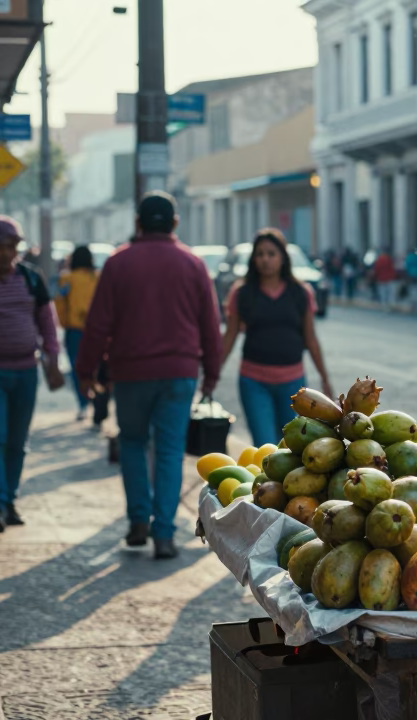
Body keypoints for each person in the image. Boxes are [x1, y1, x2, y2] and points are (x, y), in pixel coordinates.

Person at [75, 192, 222, 559]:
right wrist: (212, 374)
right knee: (170, 451)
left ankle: (138, 520)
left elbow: (97, 325)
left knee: (133, 443)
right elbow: (210, 325)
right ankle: (165, 534)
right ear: (174, 223)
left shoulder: (118, 262)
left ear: (138, 223)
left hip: (131, 374)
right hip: (179, 373)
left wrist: (85, 370)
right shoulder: (193, 263)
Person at [0, 216, 66, 535]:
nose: (5, 253)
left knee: (17, 441)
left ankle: (10, 500)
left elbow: (47, 323)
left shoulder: (31, 278)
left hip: (26, 371)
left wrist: (53, 362)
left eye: (11, 247)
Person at [221, 228, 333, 446]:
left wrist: (325, 379)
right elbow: (229, 337)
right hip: (254, 383)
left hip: (293, 384)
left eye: (271, 254)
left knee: (292, 447)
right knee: (265, 448)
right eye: (260, 254)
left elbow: (311, 339)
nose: (265, 259)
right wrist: (212, 376)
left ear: (283, 258)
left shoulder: (301, 292)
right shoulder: (242, 293)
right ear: (254, 259)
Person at [57, 246, 106, 423]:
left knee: (78, 368)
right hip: (99, 330)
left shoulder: (66, 279)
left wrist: (65, 322)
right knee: (99, 367)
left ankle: (83, 404)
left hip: (75, 330)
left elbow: (60, 304)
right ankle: (100, 402)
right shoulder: (98, 277)